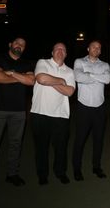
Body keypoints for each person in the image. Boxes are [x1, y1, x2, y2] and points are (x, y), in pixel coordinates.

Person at [0, 37, 35, 197]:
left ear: (24, 49)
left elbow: (31, 81)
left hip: (18, 111)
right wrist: (19, 77)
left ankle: (12, 175)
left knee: (15, 144)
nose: (20, 46)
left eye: (23, 45)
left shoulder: (26, 63)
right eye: (17, 43)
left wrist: (10, 73)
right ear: (10, 44)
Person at [30, 42, 76, 185]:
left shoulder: (69, 71)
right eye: (57, 49)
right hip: (40, 112)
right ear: (52, 52)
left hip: (60, 115)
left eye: (63, 49)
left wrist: (52, 82)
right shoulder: (42, 62)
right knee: (41, 147)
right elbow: (41, 79)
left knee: (61, 147)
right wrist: (61, 81)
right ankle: (42, 175)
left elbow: (70, 91)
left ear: (66, 54)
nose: (60, 51)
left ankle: (60, 172)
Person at [72, 40, 110, 181]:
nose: (96, 49)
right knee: (80, 140)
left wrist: (89, 74)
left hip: (100, 107)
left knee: (98, 140)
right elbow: (78, 77)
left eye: (99, 48)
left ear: (100, 51)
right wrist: (96, 77)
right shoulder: (79, 62)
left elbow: (107, 79)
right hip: (84, 107)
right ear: (88, 48)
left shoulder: (105, 64)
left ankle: (96, 167)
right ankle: (77, 169)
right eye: (94, 47)